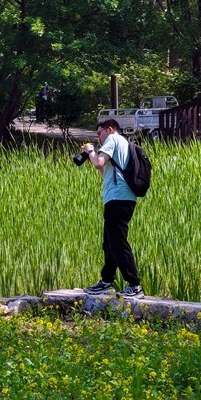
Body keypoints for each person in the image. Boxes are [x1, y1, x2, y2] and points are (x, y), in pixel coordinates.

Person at [79, 117, 144, 299]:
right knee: (109, 242)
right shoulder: (120, 143)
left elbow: (98, 162)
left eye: (99, 133)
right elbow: (102, 170)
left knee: (118, 242)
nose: (99, 138)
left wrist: (91, 151)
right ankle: (106, 281)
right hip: (119, 198)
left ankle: (134, 285)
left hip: (118, 198)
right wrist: (93, 157)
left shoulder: (113, 139)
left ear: (109, 129)